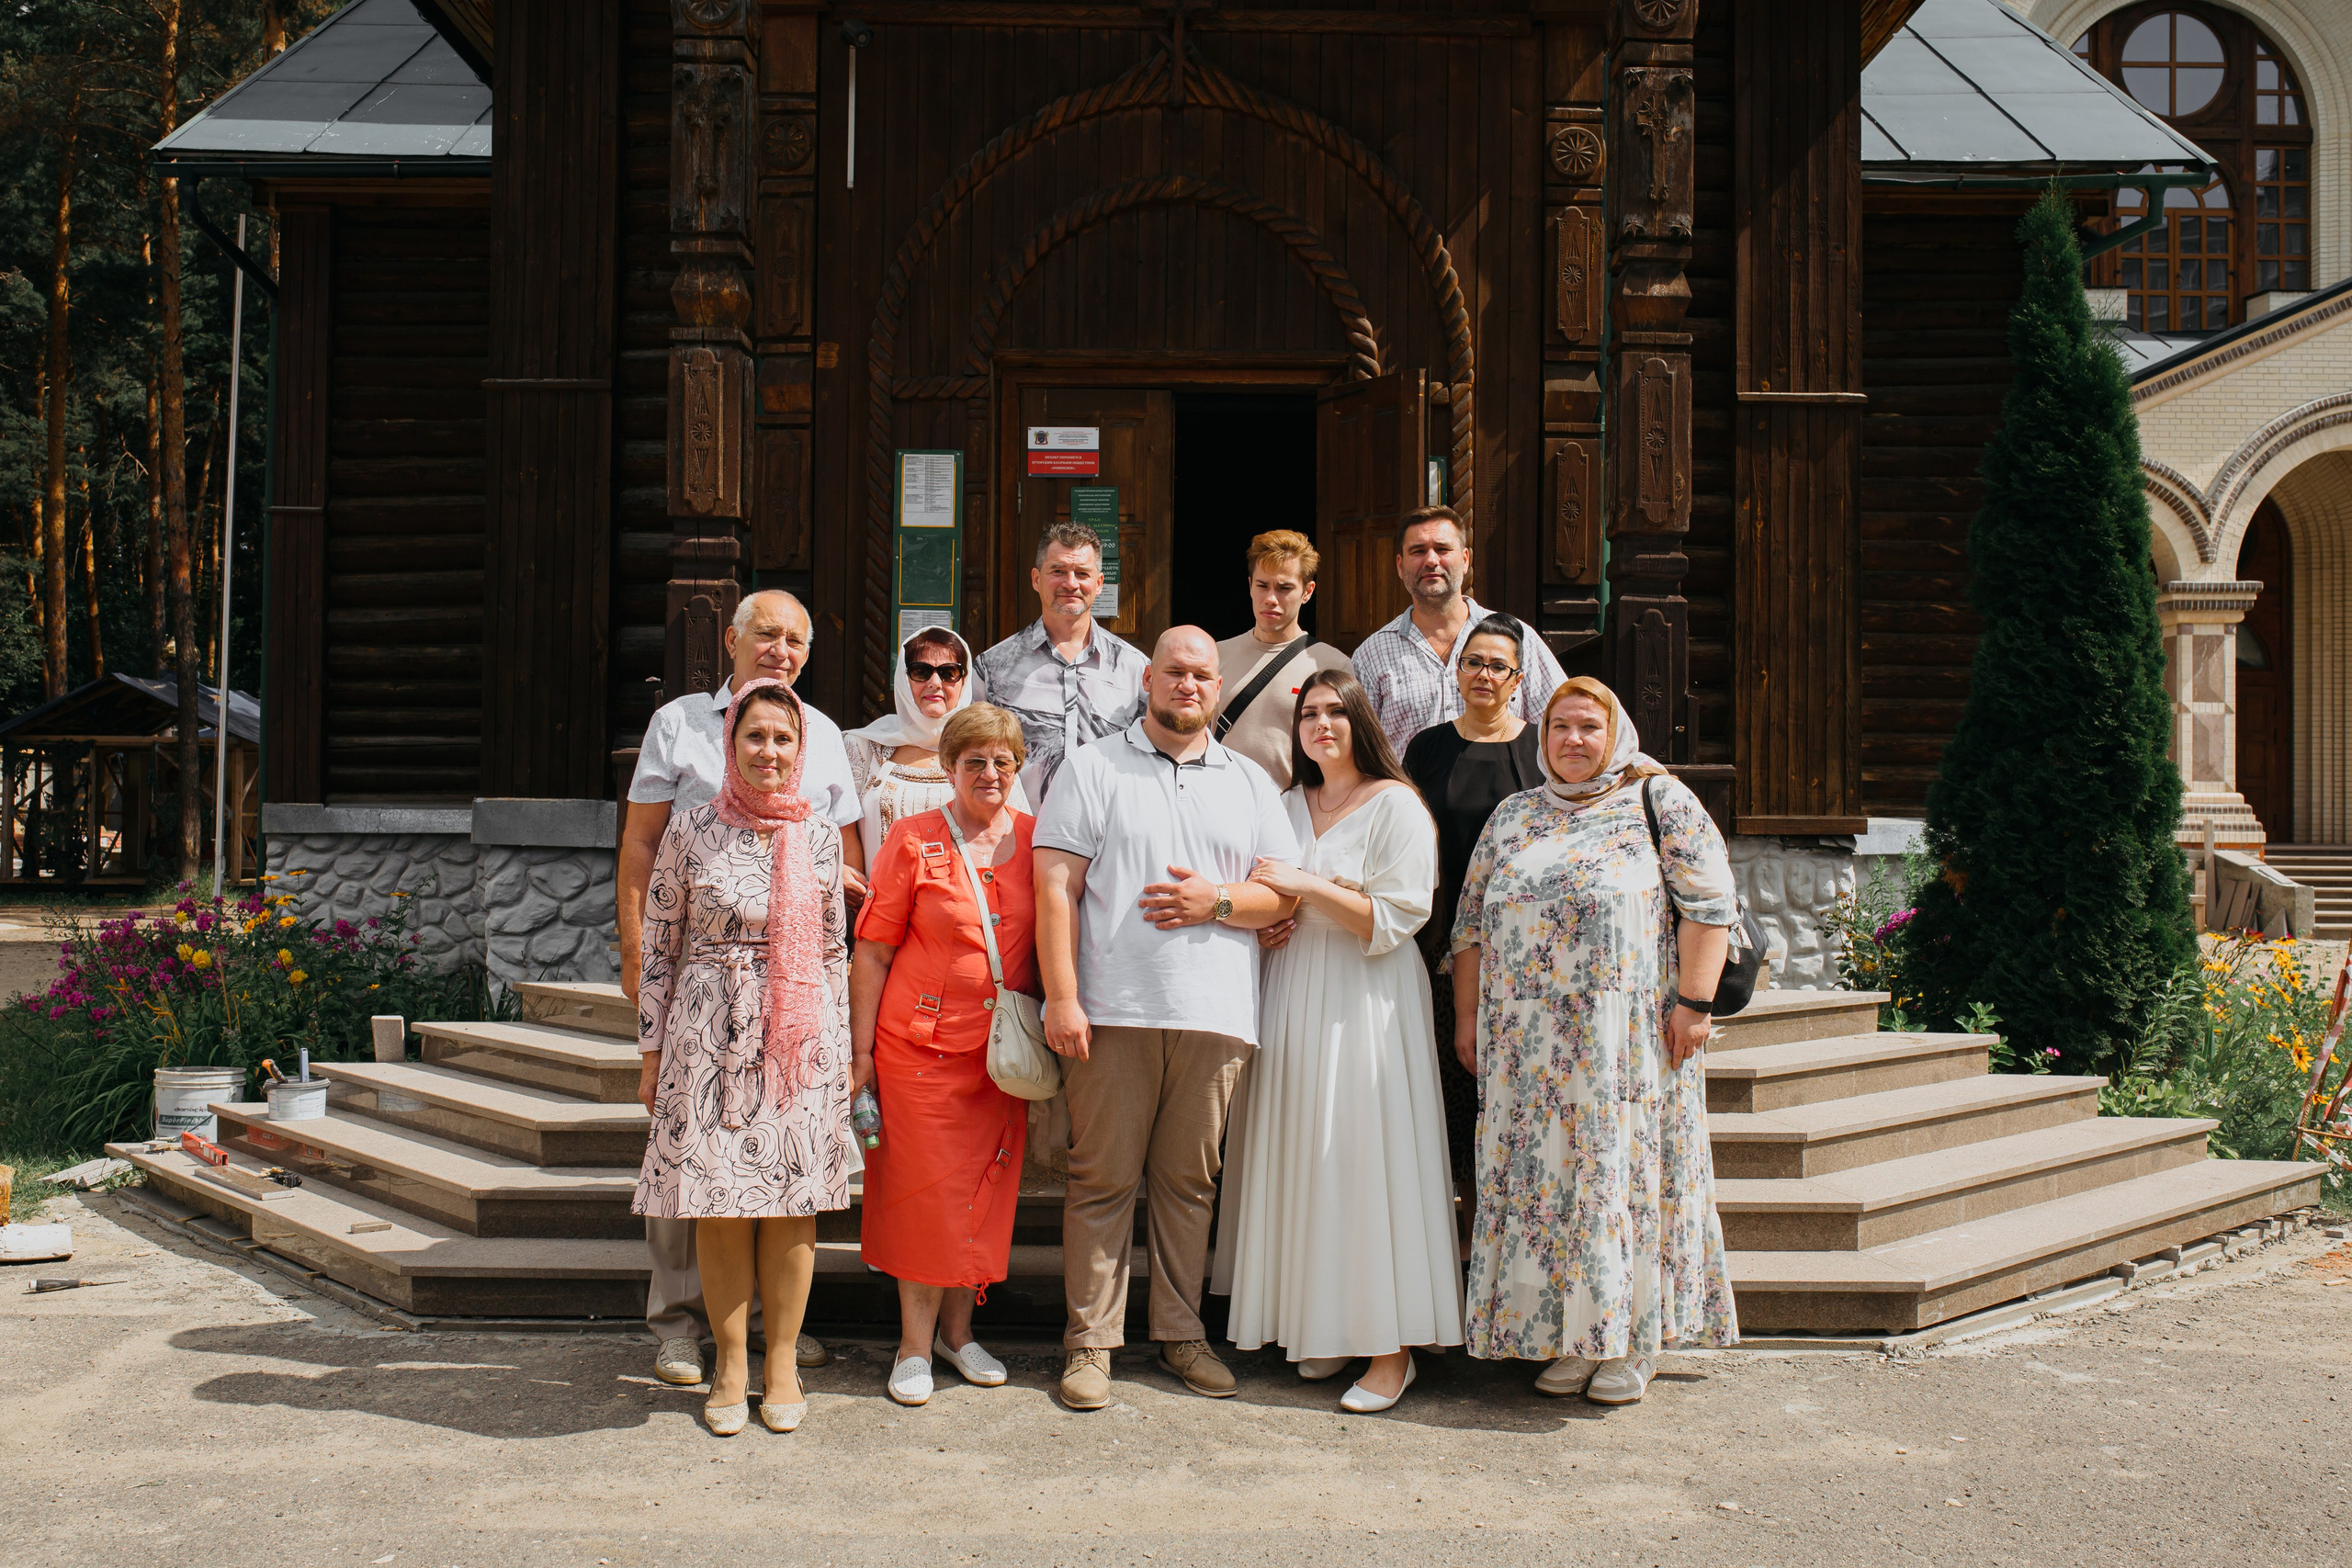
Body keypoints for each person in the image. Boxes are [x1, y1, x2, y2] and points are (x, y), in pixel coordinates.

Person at [1449, 677, 1740, 1405]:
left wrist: (1695, 1004)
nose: (1572, 740)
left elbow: (1710, 904)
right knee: (1549, 1192)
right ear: (1540, 738)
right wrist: (1466, 1023)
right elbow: (1470, 929)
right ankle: (1571, 1334)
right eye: (1558, 727)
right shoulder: (1514, 815)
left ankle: (1631, 1338)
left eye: (1588, 726)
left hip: (1628, 1047)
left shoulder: (1657, 800)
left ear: (1615, 734)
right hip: (1527, 1052)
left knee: (1621, 1180)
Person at [1031, 626, 1300, 1412]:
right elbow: (1056, 888)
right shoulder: (1093, 767)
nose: (1189, 685)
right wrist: (1062, 993)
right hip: (1114, 1007)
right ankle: (1090, 1343)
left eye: (1203, 675)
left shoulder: (1248, 781)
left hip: (1216, 1009)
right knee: (1102, 1179)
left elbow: (1282, 894)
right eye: (1175, 672)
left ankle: (1181, 1333)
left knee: (1189, 1182)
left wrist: (1214, 901)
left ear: (1218, 688)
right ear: (1148, 678)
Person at [619, 589, 855, 1389]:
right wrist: (647, 1019)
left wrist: (843, 1057)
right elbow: (650, 881)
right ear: (731, 640)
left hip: (793, 1030)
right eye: (767, 634)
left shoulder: (821, 790)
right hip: (706, 1019)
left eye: (796, 637)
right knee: (708, 1187)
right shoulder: (680, 736)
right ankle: (693, 1336)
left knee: (784, 1193)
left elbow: (833, 951)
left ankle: (774, 1343)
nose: (768, 747)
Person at [1211, 670, 1462, 1415]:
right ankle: (1320, 1320)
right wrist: (1270, 917)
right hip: (1292, 990)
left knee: (1364, 1156)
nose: (1321, 725)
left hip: (1368, 996)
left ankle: (1391, 1348)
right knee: (1301, 1152)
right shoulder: (1285, 802)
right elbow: (1263, 890)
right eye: (1310, 714)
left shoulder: (1397, 805)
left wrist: (1308, 890)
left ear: (1361, 722)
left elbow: (1397, 919)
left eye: (1335, 712)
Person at [848, 704, 1036, 1408]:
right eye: (975, 761)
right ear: (949, 768)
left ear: (1018, 770)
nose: (990, 773)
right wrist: (860, 1050)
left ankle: (960, 1335)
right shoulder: (911, 836)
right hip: (917, 1049)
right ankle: (913, 1345)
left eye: (1003, 761)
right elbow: (871, 950)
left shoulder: (1035, 837)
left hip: (1000, 1056)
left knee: (984, 1192)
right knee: (924, 1195)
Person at [1400, 613, 1546, 1196]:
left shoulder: (1542, 748)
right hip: (1440, 941)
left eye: (1497, 666)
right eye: (1473, 663)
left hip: (1527, 947)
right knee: (1450, 1084)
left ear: (1517, 678)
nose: (1483, 674)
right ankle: (1457, 1237)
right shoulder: (1427, 747)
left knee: (1518, 1087)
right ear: (1458, 671)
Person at [1351, 505, 1566, 758]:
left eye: (1442, 549)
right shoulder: (1372, 655)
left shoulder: (1515, 637)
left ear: (1465, 560)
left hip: (1506, 796)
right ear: (1400, 566)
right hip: (1408, 796)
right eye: (1418, 551)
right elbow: (1357, 752)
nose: (1431, 560)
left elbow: (1562, 724)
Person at [973, 520, 1148, 804]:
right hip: (1021, 838)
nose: (1071, 583)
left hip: (1109, 838)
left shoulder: (1135, 669)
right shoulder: (993, 668)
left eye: (1082, 573)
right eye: (1058, 571)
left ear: (1099, 583)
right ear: (1036, 579)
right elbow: (972, 757)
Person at [842, 626, 1030, 863]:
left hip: (962, 895)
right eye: (921, 671)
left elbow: (1015, 827)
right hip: (879, 895)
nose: (935, 683)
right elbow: (838, 826)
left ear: (964, 680)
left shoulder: (988, 748)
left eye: (948, 673)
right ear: (903, 677)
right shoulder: (864, 746)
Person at [1212, 530, 1352, 789]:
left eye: (1284, 588)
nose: (1271, 599)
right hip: (1221, 808)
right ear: (1250, 585)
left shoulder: (1332, 665)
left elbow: (1344, 756)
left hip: (1295, 814)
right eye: (1262, 586)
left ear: (1308, 591)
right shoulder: (1216, 655)